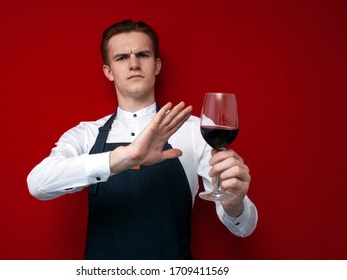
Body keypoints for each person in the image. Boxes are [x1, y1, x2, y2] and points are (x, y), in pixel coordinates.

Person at [27, 19, 258, 260]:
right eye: (122, 58)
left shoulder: (194, 130)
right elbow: (38, 184)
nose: (134, 64)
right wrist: (128, 156)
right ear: (108, 71)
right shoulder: (86, 134)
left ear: (157, 65)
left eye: (143, 55)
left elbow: (243, 227)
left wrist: (235, 204)